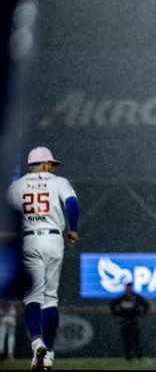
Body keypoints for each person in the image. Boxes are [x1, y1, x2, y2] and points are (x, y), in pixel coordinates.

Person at [6, 147, 81, 370]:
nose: (52, 167)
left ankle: (36, 342)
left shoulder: (16, 186)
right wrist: (73, 228)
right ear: (45, 164)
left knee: (32, 296)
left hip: (29, 239)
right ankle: (48, 353)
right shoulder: (58, 182)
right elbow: (72, 203)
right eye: (51, 164)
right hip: (52, 238)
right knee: (50, 298)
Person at [110, 282, 149, 362]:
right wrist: (119, 314)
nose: (128, 289)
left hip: (134, 321)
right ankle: (129, 357)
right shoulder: (122, 298)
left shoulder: (136, 297)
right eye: (127, 287)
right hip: (125, 320)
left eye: (129, 287)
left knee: (136, 340)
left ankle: (139, 357)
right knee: (126, 340)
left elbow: (146, 305)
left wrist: (140, 314)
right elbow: (113, 306)